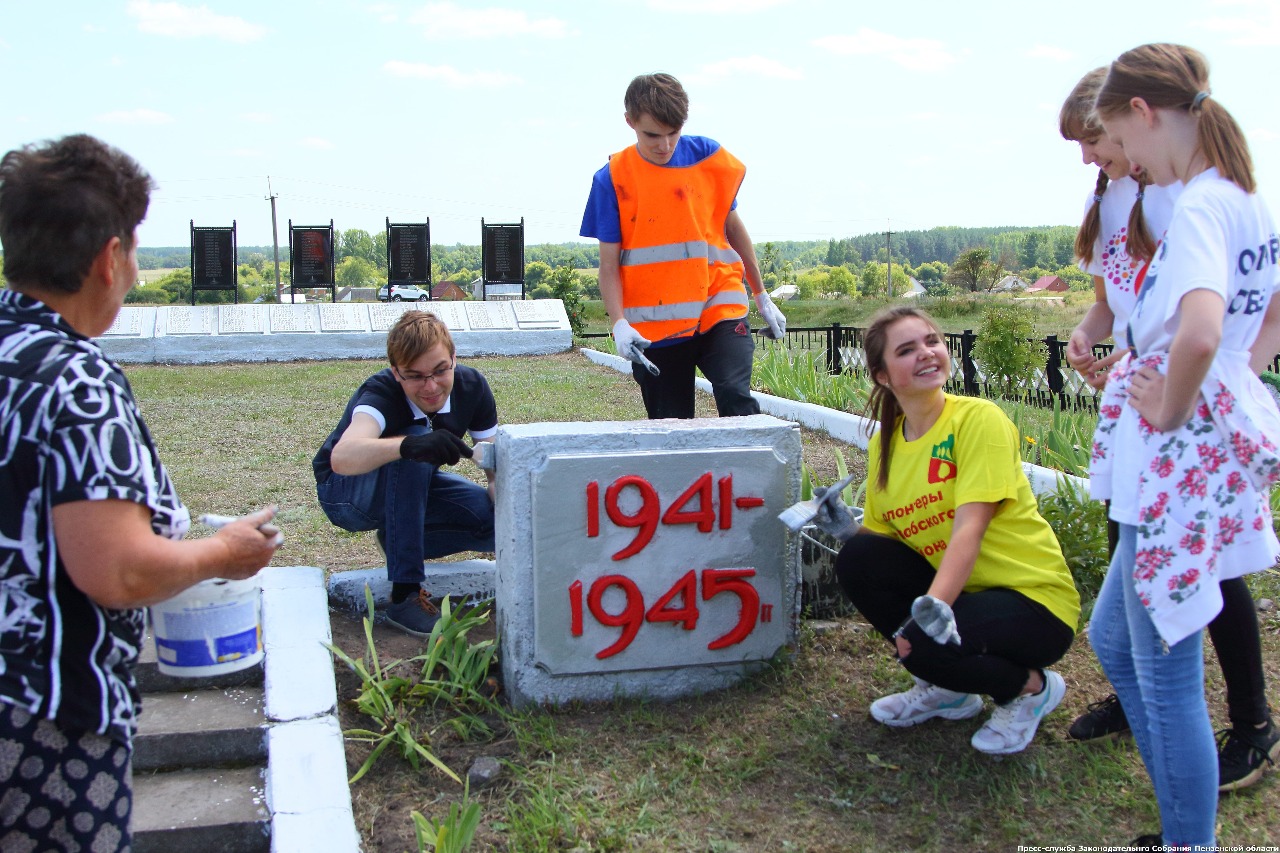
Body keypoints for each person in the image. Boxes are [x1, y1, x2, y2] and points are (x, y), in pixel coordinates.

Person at [0, 134, 281, 852]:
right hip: (44, 721)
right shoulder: (77, 380)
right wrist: (222, 550)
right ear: (108, 258)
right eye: (131, 253)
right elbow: (118, 569)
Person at [1061, 67, 1280, 794]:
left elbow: (1199, 329)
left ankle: (1242, 733)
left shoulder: (1194, 201)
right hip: (1155, 422)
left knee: (1177, 624)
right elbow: (1130, 310)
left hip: (1171, 436)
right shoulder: (1165, 194)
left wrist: (1195, 397)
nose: (1095, 157)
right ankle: (1148, 716)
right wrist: (1105, 342)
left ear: (1138, 117)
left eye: (1102, 139)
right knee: (1128, 628)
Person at [820, 306, 1080, 755]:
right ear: (882, 376)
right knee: (859, 561)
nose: (926, 353)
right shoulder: (889, 441)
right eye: (907, 350)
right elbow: (888, 544)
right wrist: (845, 529)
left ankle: (1031, 689)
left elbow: (968, 531)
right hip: (966, 595)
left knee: (923, 642)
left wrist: (933, 610)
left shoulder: (978, 419)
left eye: (932, 342)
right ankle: (951, 690)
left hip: (1033, 602)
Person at [579, 72, 787, 419]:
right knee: (671, 427)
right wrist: (618, 323)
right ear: (629, 121)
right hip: (656, 325)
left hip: (719, 302)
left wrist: (761, 295)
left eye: (673, 132)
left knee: (736, 400)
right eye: (652, 135)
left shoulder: (708, 158)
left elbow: (731, 226)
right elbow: (608, 265)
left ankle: (749, 473)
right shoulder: (613, 179)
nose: (665, 145)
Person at [313, 310, 496, 636]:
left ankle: (400, 541)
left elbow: (497, 469)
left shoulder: (472, 388)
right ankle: (405, 596)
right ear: (396, 372)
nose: (431, 386)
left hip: (412, 487)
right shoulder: (381, 392)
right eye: (415, 375)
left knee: (493, 517)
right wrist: (408, 445)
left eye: (440, 370)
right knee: (417, 446)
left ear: (454, 357)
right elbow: (342, 457)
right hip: (347, 494)